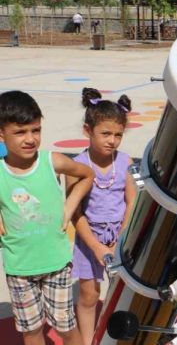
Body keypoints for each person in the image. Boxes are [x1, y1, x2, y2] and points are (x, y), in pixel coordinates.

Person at [0, 90, 94, 345]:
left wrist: (70, 205)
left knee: (65, 328)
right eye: (20, 132)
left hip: (57, 265)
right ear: (1, 134)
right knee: (31, 332)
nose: (30, 139)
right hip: (19, 269)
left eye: (36, 130)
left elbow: (87, 175)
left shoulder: (52, 161)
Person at [69, 88, 136, 345]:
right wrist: (96, 246)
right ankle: (88, 341)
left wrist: (120, 238)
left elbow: (132, 202)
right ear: (88, 130)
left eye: (118, 135)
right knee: (88, 294)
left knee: (122, 291)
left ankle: (118, 338)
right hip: (89, 240)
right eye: (105, 133)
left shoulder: (125, 161)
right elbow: (76, 213)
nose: (112, 141)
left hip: (121, 236)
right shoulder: (77, 165)